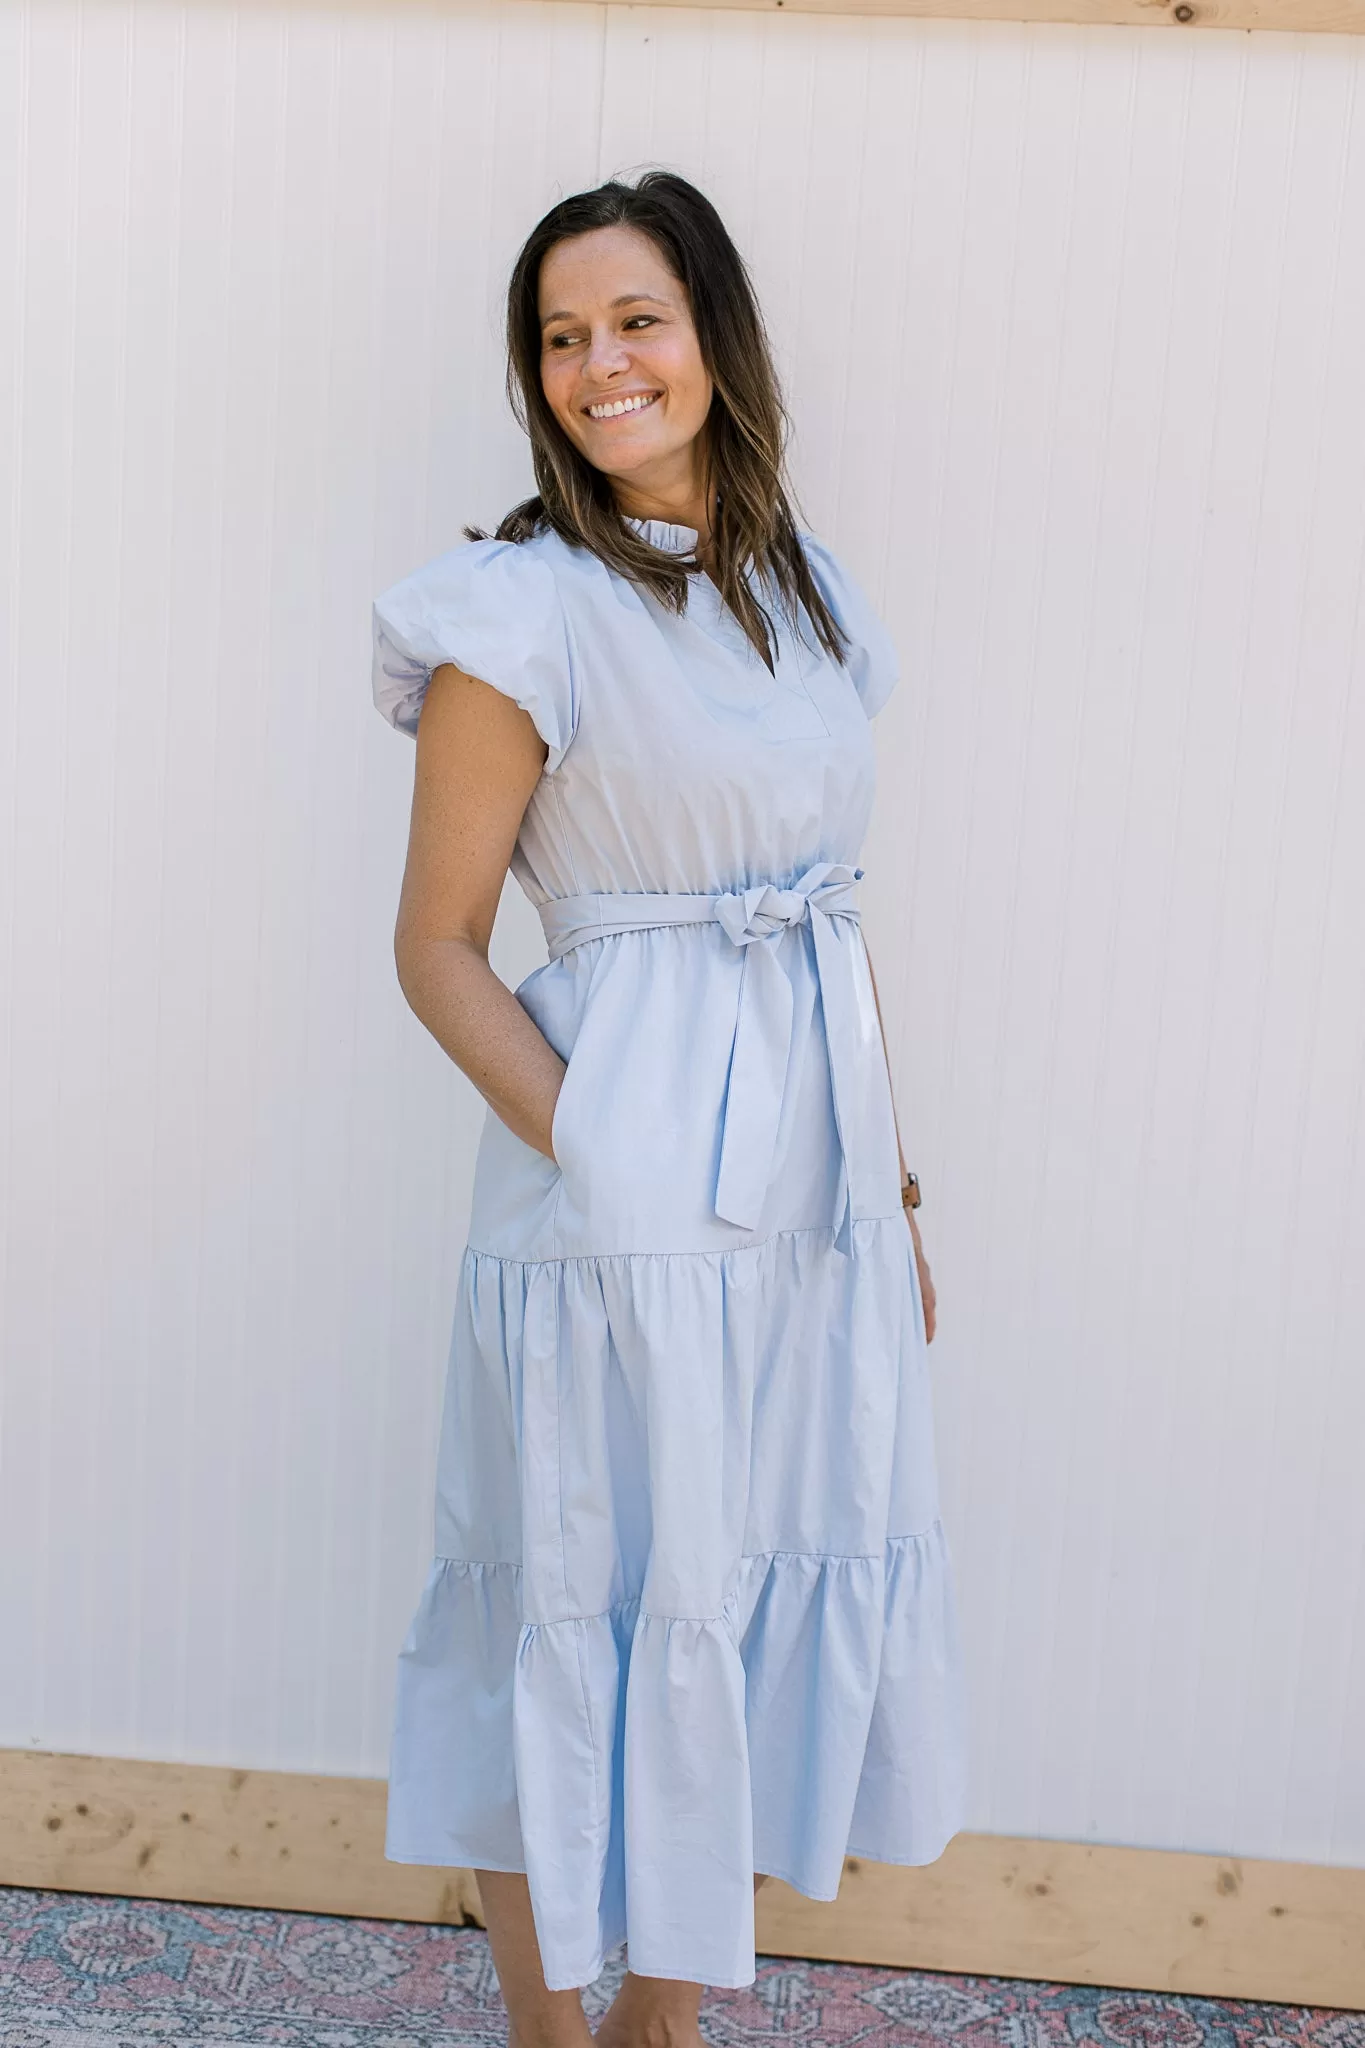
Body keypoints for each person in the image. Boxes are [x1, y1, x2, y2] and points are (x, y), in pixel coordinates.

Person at [371, 170, 966, 2048]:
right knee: (578, 1610)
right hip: (614, 1212)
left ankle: (664, 2037)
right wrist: (605, 1149)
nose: (599, 365)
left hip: (809, 1212)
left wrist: (897, 1194)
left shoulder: (808, 598)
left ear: (713, 330)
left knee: (743, 1605)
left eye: (634, 319)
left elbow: (828, 928)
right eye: (561, 337)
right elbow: (441, 946)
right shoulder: (517, 612)